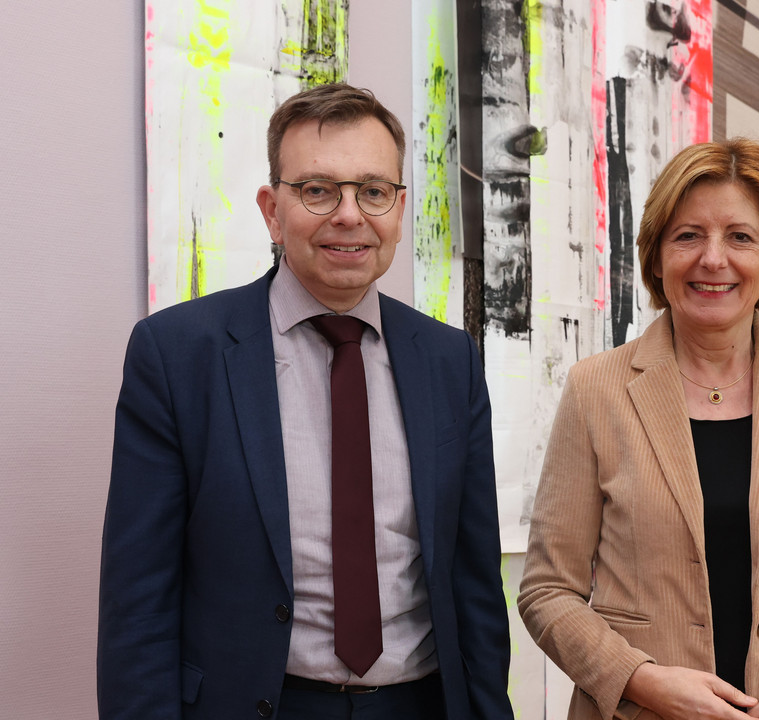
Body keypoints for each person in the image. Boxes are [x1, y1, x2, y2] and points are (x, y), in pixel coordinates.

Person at [98, 83, 512, 720]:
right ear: (271, 209)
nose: (349, 215)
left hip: (420, 703)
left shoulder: (450, 360)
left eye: (373, 191)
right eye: (318, 190)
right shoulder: (178, 354)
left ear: (400, 208)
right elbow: (139, 598)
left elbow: (475, 584)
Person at [518, 138, 759, 720]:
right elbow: (548, 591)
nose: (712, 259)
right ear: (657, 254)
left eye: (740, 237)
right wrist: (641, 681)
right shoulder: (596, 390)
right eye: (688, 235)